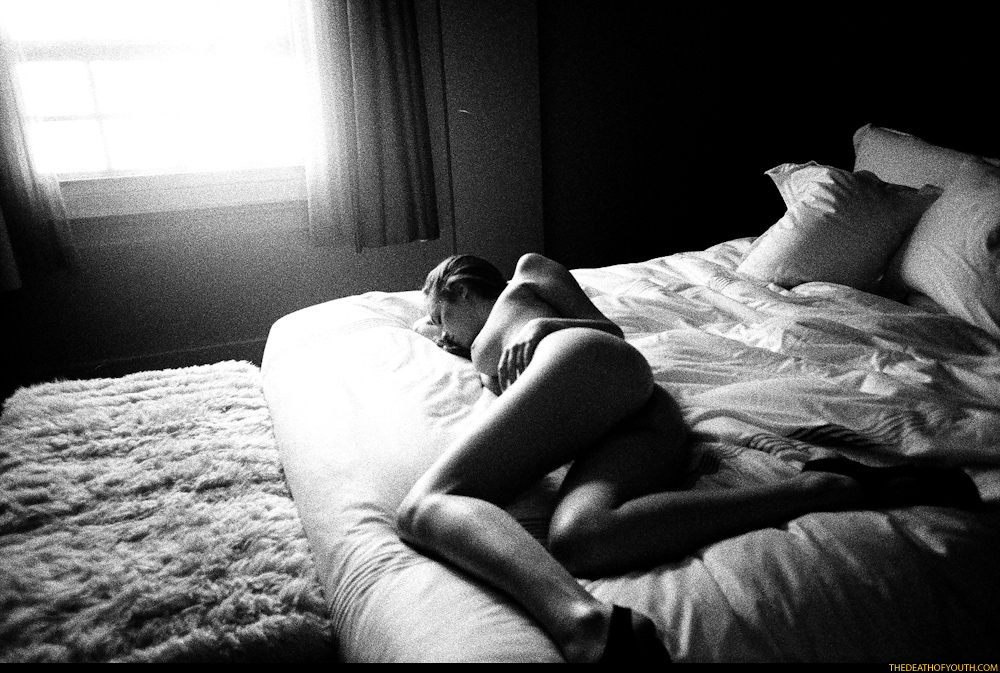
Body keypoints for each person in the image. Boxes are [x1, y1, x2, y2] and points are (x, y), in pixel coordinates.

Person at [396, 253, 979, 663]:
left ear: (458, 288)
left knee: (427, 504)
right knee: (581, 539)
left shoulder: (526, 276)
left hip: (588, 359)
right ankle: (830, 487)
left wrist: (544, 324)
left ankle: (584, 624)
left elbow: (608, 329)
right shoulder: (477, 344)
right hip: (635, 415)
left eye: (440, 317)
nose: (442, 336)